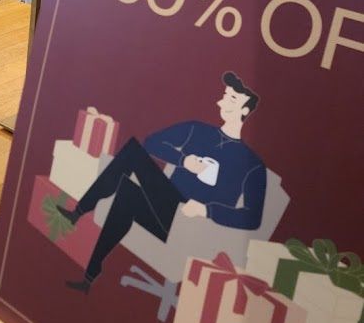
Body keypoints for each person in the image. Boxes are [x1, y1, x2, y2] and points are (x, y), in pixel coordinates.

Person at [57, 72, 267, 294]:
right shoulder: (198, 129)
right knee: (129, 182)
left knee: (131, 165)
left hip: (192, 226)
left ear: (245, 111)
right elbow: (152, 142)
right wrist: (183, 160)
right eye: (225, 96)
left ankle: (78, 213)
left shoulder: (252, 164)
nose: (223, 102)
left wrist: (206, 210)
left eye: (232, 99)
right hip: (165, 207)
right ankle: (89, 275)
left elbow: (252, 217)